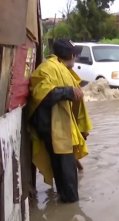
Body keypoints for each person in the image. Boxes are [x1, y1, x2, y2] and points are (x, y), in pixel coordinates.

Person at [28, 39, 92, 203]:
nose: (75, 58)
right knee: (67, 176)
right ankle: (70, 209)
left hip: (61, 129)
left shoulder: (61, 68)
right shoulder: (48, 68)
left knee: (64, 170)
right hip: (54, 130)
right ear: (71, 55)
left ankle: (63, 203)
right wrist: (68, 91)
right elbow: (41, 95)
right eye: (75, 54)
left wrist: (80, 130)